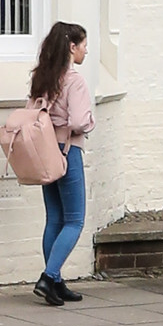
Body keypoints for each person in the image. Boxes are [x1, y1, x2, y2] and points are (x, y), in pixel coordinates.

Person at [32, 20, 94, 307]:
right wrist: (90, 122)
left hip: (45, 149)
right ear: (72, 47)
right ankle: (49, 276)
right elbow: (80, 121)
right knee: (75, 220)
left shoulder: (43, 77)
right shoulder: (75, 80)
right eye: (83, 45)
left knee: (54, 218)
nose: (85, 51)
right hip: (67, 150)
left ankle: (55, 284)